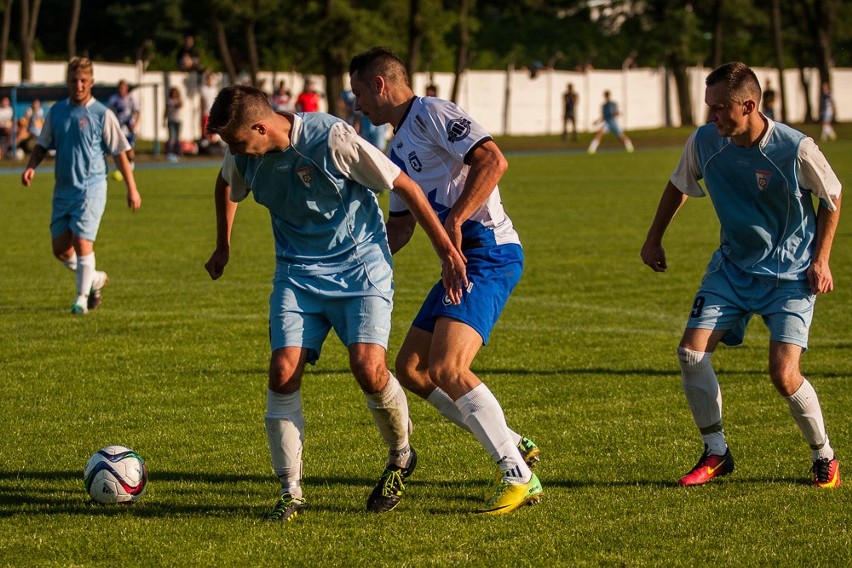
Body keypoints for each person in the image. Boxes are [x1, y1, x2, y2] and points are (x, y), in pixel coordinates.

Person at [203, 85, 467, 522]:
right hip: (296, 273)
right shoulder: (244, 154)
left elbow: (404, 185)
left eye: (235, 141)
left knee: (368, 368)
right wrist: (222, 245)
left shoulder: (331, 139)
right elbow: (225, 182)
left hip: (359, 270)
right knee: (282, 370)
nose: (232, 151)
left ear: (260, 126)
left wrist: (445, 252)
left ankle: (401, 455)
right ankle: (290, 492)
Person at [349, 47, 542, 516]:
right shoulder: (395, 148)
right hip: (460, 257)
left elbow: (493, 161)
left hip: (488, 252)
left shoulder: (432, 112)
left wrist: (455, 220)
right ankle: (515, 442)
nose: (358, 106)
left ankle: (518, 474)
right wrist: (354, 258)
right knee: (413, 369)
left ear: (380, 84)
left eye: (359, 93)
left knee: (448, 368)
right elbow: (400, 226)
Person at [641, 61, 842, 489]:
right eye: (709, 107)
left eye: (718, 108)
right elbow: (679, 184)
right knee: (691, 354)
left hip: (790, 277)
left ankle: (824, 454)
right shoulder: (705, 142)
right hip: (731, 269)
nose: (710, 117)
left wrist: (821, 259)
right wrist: (654, 238)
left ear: (748, 105)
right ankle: (717, 453)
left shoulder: (795, 148)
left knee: (783, 375)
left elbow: (833, 196)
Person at [21, 57, 141, 315]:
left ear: (91, 83)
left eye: (83, 81)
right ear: (68, 82)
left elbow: (120, 153)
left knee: (82, 242)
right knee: (60, 250)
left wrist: (132, 187)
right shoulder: (57, 112)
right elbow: (42, 144)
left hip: (92, 188)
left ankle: (81, 298)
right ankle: (95, 278)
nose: (78, 85)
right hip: (63, 189)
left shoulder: (102, 114)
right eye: (74, 80)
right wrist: (31, 166)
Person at [108, 80, 140, 166]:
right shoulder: (113, 99)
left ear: (127, 88)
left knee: (130, 147)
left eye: (123, 87)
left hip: (129, 127)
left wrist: (135, 124)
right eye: (120, 87)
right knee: (120, 148)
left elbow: (137, 112)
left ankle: (131, 164)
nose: (122, 89)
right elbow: (109, 113)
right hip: (118, 127)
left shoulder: (131, 99)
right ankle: (122, 165)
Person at [164, 87, 183, 161]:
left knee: (177, 138)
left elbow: (180, 105)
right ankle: (170, 153)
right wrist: (164, 119)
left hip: (178, 120)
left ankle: (178, 153)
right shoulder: (169, 101)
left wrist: (178, 99)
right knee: (171, 137)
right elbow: (165, 110)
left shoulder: (178, 100)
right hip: (171, 120)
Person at [199, 72, 219, 140]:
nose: (210, 81)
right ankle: (206, 141)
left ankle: (213, 142)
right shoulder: (203, 89)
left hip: (213, 113)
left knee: (213, 129)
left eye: (211, 79)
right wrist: (201, 113)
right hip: (206, 112)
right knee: (206, 129)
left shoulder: (215, 89)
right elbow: (201, 102)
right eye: (208, 79)